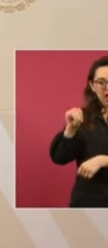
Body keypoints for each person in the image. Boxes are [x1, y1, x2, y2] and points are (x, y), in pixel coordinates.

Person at [49, 55, 108, 207]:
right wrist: (70, 130)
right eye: (101, 82)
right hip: (88, 206)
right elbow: (59, 158)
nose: (107, 88)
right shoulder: (84, 118)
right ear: (92, 86)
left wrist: (103, 160)